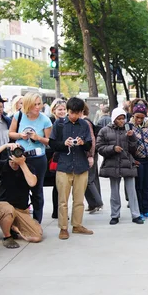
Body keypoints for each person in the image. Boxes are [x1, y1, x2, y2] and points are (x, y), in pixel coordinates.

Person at [49, 98, 94, 239]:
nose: (74, 116)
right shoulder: (59, 124)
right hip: (64, 166)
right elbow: (52, 143)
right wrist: (64, 143)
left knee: (79, 199)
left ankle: (77, 225)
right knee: (63, 200)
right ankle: (63, 227)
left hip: (81, 165)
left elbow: (89, 145)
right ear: (68, 111)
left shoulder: (84, 124)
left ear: (82, 112)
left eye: (77, 113)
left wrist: (82, 143)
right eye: (71, 112)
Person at [0, 143, 43, 248]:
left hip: (20, 209)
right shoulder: (2, 165)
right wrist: (5, 145)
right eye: (13, 153)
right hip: (0, 205)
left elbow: (32, 183)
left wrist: (22, 164)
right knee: (9, 210)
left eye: (18, 153)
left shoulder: (28, 168)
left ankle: (13, 226)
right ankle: (7, 237)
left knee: (36, 236)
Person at [8, 93, 52, 223]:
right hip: (21, 157)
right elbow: (11, 133)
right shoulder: (19, 115)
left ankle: (36, 222)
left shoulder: (45, 120)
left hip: (38, 158)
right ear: (28, 105)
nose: (38, 107)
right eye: (35, 104)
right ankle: (21, 220)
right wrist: (21, 135)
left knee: (37, 191)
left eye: (39, 104)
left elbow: (49, 141)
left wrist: (38, 138)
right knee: (20, 189)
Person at [96, 108, 143, 225]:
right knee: (114, 191)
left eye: (123, 118)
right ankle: (115, 215)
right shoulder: (105, 131)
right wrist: (112, 148)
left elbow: (134, 149)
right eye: (119, 119)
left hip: (127, 163)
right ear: (114, 119)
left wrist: (132, 138)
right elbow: (99, 147)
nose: (122, 121)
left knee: (132, 191)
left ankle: (136, 214)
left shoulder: (129, 130)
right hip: (113, 164)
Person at [81, 103, 104, 214]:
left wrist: (90, 155)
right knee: (92, 178)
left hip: (88, 154)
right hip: (90, 153)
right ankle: (93, 203)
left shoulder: (85, 122)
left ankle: (97, 202)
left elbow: (92, 139)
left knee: (88, 179)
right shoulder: (87, 121)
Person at [48, 99, 68, 219]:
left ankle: (60, 211)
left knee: (61, 185)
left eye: (64, 109)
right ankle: (56, 210)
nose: (62, 112)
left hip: (62, 155)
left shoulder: (67, 122)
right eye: (60, 109)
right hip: (50, 156)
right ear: (54, 110)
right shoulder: (49, 122)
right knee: (55, 185)